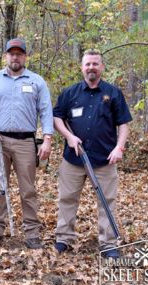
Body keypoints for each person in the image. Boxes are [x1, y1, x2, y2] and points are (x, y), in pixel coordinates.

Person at [0, 38, 54, 250]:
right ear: (6, 56)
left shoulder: (37, 82)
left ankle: (32, 233)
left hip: (26, 142)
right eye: (12, 53)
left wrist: (47, 139)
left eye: (19, 53)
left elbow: (46, 111)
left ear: (25, 56)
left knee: (28, 189)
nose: (15, 57)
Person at [52, 49, 132, 258]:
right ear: (82, 67)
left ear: (102, 67)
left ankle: (108, 243)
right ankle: (64, 238)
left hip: (104, 159)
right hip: (73, 159)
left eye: (95, 64)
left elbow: (123, 124)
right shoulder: (69, 93)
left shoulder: (113, 93)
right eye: (87, 64)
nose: (91, 68)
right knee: (67, 199)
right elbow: (57, 118)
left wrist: (119, 148)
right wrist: (69, 137)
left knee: (107, 202)